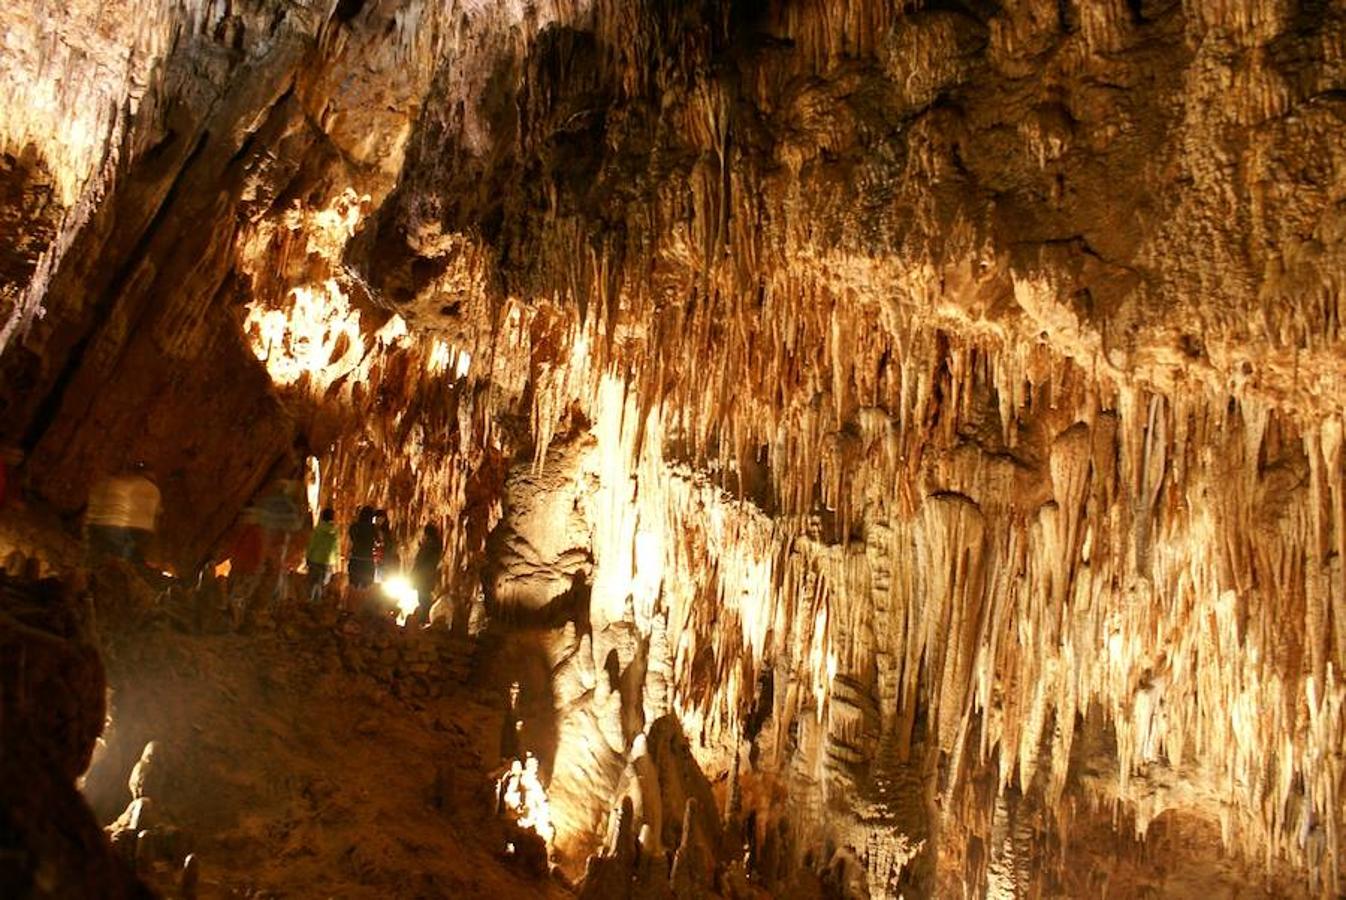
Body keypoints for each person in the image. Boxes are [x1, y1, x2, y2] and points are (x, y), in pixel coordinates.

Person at [85, 464, 161, 563]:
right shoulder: (155, 490)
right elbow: (155, 512)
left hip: (120, 523)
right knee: (131, 557)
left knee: (106, 553)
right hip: (144, 528)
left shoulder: (126, 483)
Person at [226, 510, 265, 629]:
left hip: (238, 567)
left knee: (234, 594)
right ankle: (237, 623)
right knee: (240, 597)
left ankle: (233, 621)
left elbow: (233, 548)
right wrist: (258, 567)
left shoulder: (241, 532)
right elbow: (259, 553)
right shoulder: (257, 533)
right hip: (247, 569)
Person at [304, 507, 340, 604]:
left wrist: (307, 557)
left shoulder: (318, 529)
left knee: (312, 583)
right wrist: (337, 564)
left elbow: (312, 544)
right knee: (322, 584)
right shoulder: (335, 532)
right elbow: (336, 549)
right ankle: (318, 603)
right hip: (328, 562)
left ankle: (309, 602)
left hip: (315, 559)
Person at [410, 523, 444, 625]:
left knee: (423, 597)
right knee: (425, 596)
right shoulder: (436, 544)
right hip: (429, 574)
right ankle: (425, 617)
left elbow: (420, 560)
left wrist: (414, 573)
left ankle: (424, 619)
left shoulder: (429, 544)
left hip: (423, 575)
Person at [347, 506, 378, 600]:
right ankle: (363, 607)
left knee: (353, 586)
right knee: (367, 587)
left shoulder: (354, 526)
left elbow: (352, 537)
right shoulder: (373, 528)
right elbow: (378, 540)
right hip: (367, 560)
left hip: (355, 558)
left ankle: (350, 607)